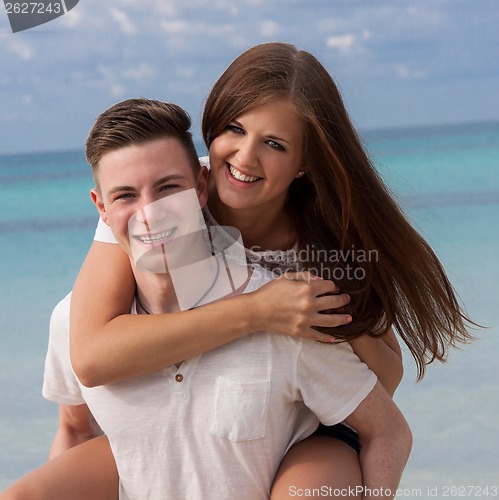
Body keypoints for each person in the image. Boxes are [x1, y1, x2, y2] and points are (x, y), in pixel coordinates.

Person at [66, 42, 474, 494]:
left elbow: (385, 382)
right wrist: (259, 311)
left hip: (312, 427)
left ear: (304, 164)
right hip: (201, 426)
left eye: (274, 144)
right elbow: (91, 355)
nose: (244, 157)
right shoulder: (164, 198)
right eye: (234, 129)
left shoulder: (323, 241)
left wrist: (327, 314)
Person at [1, 97, 411, 499]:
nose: (150, 213)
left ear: (200, 186)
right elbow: (76, 424)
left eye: (167, 188)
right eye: (125, 195)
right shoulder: (74, 320)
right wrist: (253, 311)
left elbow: (384, 411)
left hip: (318, 442)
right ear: (101, 209)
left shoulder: (293, 306)